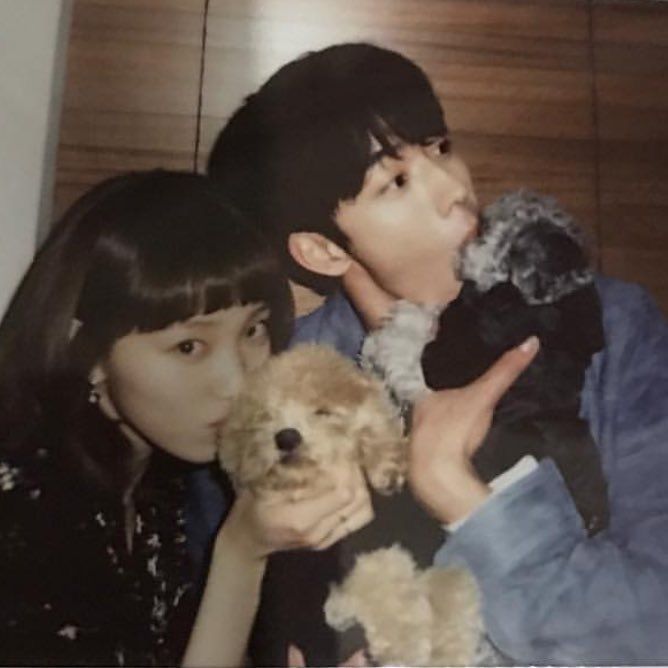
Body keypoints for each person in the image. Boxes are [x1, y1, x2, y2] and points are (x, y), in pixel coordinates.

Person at [202, 43, 668, 664]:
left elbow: (653, 634)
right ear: (322, 251)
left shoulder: (607, 325)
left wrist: (465, 497)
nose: (455, 189)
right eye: (396, 181)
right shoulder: (289, 396)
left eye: (441, 148)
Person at [0, 170, 372, 666]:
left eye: (254, 329)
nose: (238, 382)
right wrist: (241, 554)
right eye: (189, 346)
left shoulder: (157, 483)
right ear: (85, 354)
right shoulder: (22, 520)